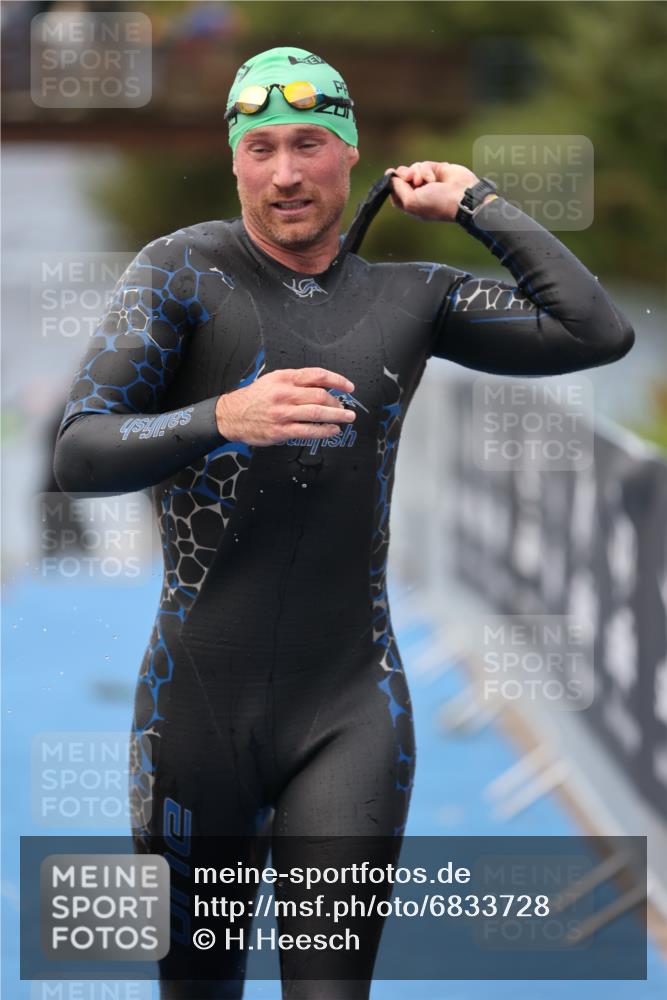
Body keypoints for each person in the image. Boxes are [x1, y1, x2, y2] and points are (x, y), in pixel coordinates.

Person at [53, 46, 634, 1000]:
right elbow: (79, 451)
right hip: (195, 712)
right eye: (263, 148)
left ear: (352, 153)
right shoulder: (179, 273)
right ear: (234, 161)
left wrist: (479, 203)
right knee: (196, 988)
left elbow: (592, 332)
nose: (285, 173)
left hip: (350, 710)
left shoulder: (411, 301)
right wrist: (220, 419)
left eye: (310, 144)